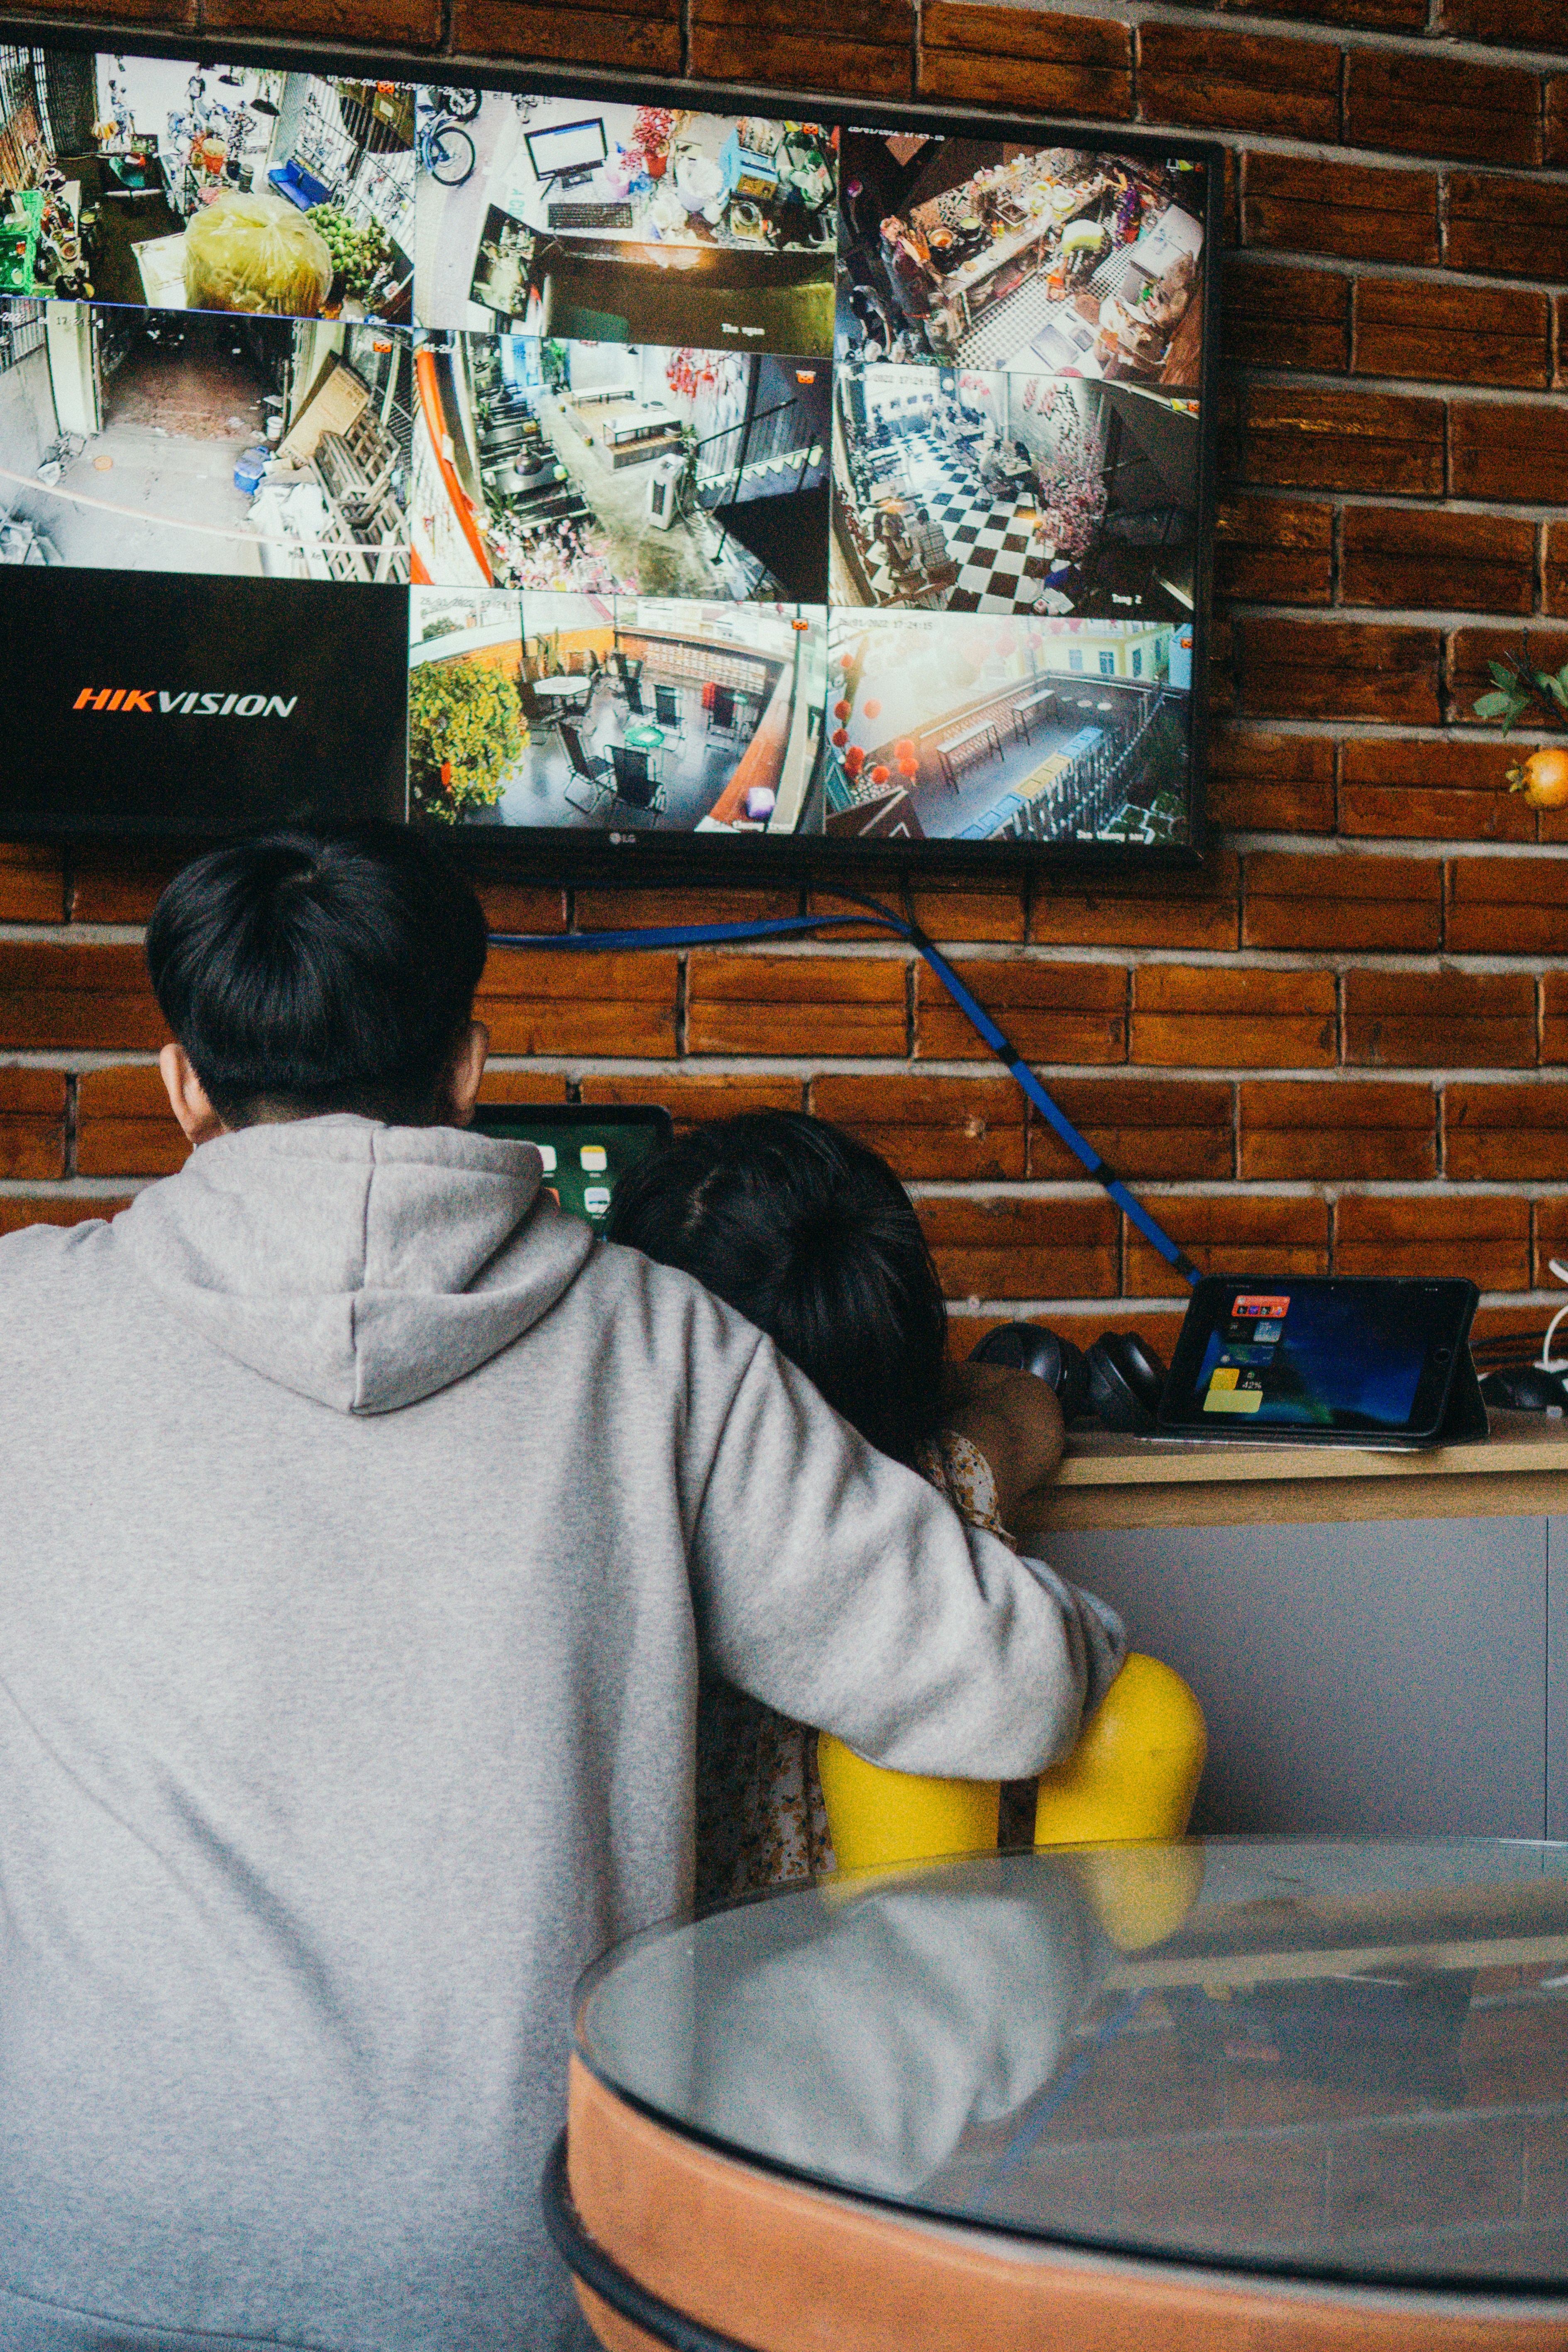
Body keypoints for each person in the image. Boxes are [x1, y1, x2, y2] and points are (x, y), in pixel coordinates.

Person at [0, 827, 1125, 2352]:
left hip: (71, 2231)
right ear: (467, 1066)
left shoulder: (24, 1326)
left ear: (182, 1085)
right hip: (493, 2256)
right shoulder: (659, 1347)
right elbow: (999, 1686)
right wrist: (1006, 1483)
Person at [605, 1111, 1124, 1900]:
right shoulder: (940, 1482)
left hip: (702, 1964)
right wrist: (904, 1388)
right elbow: (1026, 1401)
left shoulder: (650, 1523)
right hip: (924, 1971)